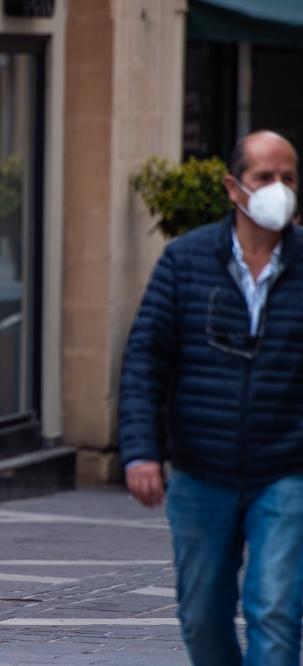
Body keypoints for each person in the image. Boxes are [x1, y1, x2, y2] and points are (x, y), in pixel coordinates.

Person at [120, 130, 303, 666]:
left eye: (289, 178)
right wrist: (140, 450)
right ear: (233, 187)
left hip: (286, 471)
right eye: (264, 177)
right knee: (201, 618)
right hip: (202, 473)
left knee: (275, 611)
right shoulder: (185, 260)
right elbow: (145, 358)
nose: (279, 189)